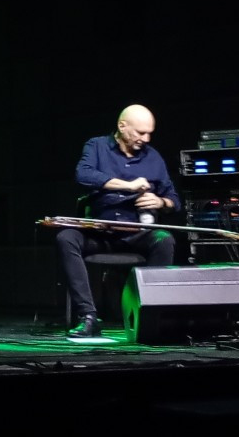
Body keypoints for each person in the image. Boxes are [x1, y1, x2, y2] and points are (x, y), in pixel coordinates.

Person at [58, 104, 179, 338]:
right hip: (101, 234)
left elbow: (174, 199)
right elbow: (83, 175)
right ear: (122, 126)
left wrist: (161, 202)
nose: (146, 138)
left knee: (164, 240)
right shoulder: (97, 146)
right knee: (66, 238)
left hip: (137, 234)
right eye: (140, 132)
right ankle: (89, 317)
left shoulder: (153, 157)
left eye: (149, 133)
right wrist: (128, 186)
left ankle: (152, 315)